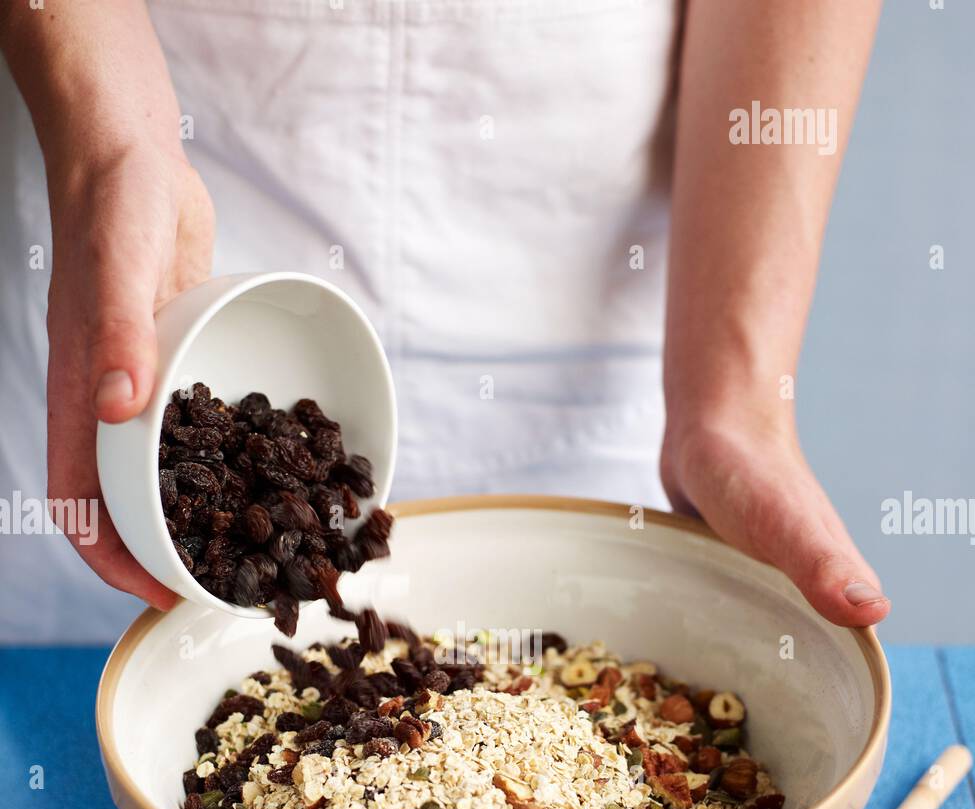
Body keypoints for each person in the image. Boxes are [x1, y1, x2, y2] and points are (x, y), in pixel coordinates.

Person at [0, 0, 889, 642]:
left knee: (588, 643)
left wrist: (732, 404)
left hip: (576, 281)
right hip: (165, 213)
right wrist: (114, 147)